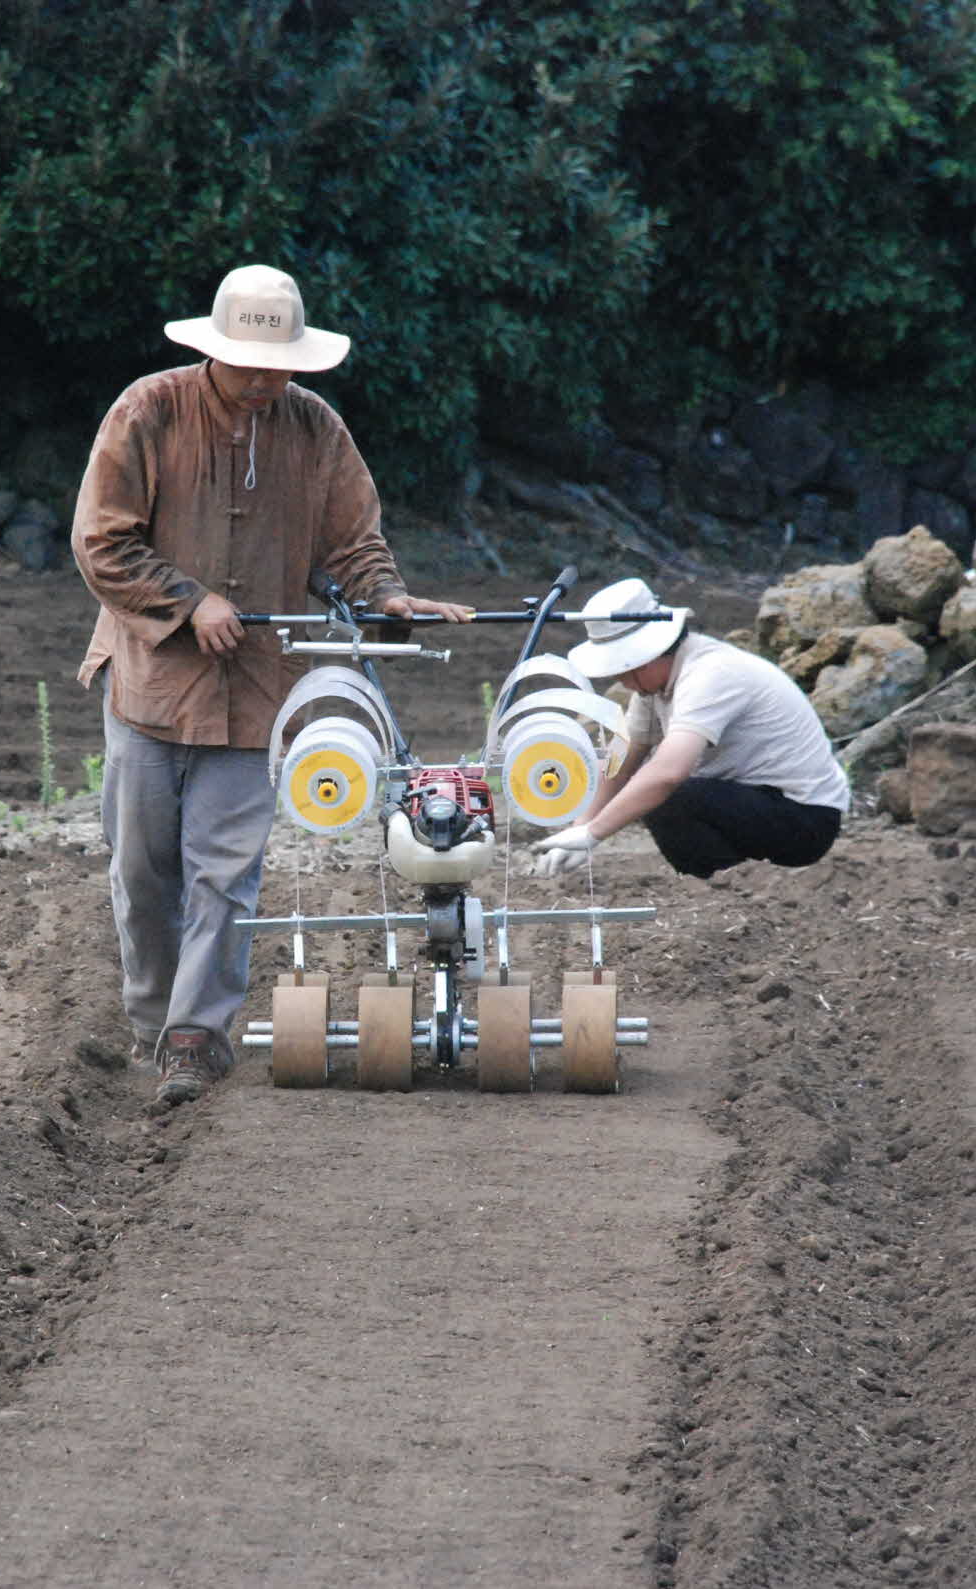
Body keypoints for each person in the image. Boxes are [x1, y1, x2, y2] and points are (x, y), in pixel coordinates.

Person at [73, 265, 473, 1107]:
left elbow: (352, 544)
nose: (263, 382)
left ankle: (194, 1036)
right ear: (214, 351)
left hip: (259, 686)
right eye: (248, 365)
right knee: (143, 870)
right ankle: (152, 1018)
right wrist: (188, 603)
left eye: (278, 366)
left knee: (224, 869)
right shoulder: (148, 411)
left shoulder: (314, 428)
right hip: (150, 680)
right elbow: (101, 543)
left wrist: (386, 597)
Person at [531, 577, 848, 880]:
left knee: (669, 799)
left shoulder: (710, 674)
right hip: (756, 803)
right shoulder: (654, 687)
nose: (621, 681)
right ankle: (725, 884)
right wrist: (578, 825)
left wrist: (594, 833)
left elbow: (669, 771)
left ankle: (727, 887)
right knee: (667, 797)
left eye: (624, 669)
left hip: (805, 816)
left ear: (650, 656)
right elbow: (620, 756)